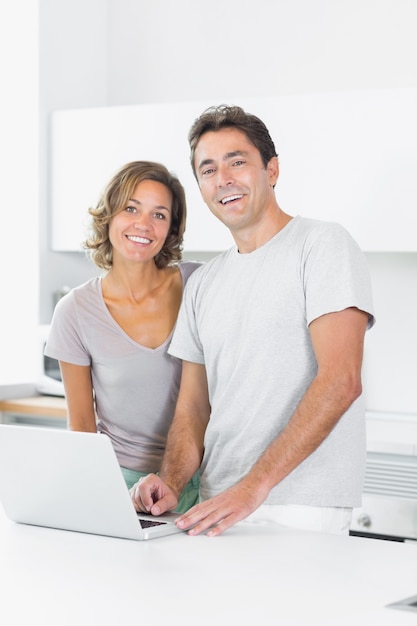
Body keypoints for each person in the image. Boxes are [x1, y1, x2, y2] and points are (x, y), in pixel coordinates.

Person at [131, 105, 375, 536]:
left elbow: (341, 380)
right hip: (217, 504)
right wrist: (171, 482)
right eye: (208, 169)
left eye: (237, 162)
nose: (222, 178)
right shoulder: (204, 283)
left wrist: (253, 487)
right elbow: (192, 407)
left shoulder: (322, 245)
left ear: (272, 170)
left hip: (300, 505)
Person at [45, 160, 201, 513]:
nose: (143, 224)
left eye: (159, 215)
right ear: (109, 215)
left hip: (203, 476)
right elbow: (82, 424)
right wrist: (97, 496)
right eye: (131, 208)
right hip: (121, 485)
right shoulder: (76, 311)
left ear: (171, 229)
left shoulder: (197, 285)